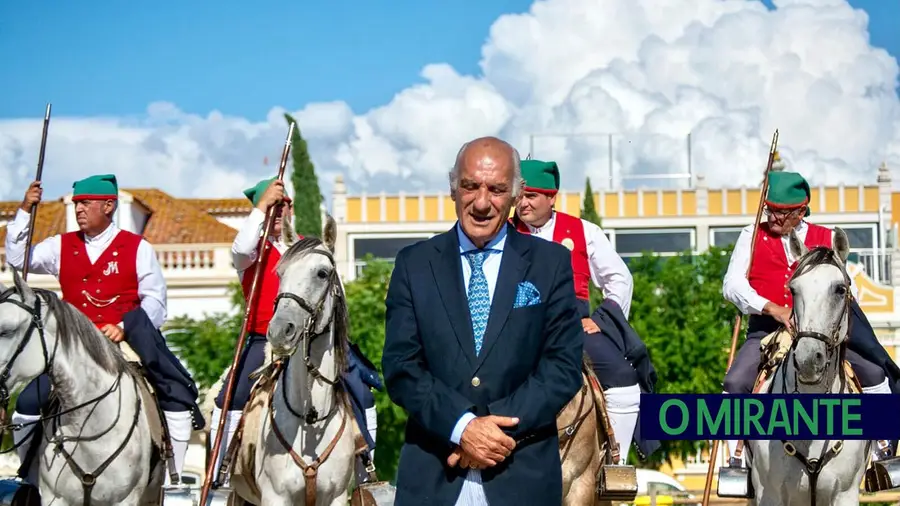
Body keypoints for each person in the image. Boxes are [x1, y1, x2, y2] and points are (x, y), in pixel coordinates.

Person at [382, 137, 584, 506]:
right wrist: (461, 428)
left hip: (521, 477)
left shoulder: (550, 263)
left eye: (496, 189)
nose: (480, 202)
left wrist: (488, 430)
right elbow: (401, 368)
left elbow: (562, 367)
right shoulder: (413, 265)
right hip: (433, 477)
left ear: (516, 195)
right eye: (470, 186)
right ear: (453, 189)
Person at [5, 174, 203, 485]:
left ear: (108, 206)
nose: (78, 210)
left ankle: (172, 479)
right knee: (27, 406)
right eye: (76, 204)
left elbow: (155, 301)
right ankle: (31, 477)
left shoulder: (138, 248)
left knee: (174, 398)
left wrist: (125, 327)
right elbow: (17, 261)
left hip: (125, 342)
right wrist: (25, 212)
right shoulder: (60, 245)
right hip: (72, 348)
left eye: (85, 203)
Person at [209, 177, 382, 486]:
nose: (280, 212)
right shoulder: (251, 251)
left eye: (284, 205)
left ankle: (366, 467)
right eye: (273, 207)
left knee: (361, 392)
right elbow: (241, 245)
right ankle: (223, 472)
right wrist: (263, 205)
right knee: (229, 399)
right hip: (264, 339)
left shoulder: (308, 247)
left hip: (315, 340)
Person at [721, 169, 897, 468]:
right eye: (770, 210)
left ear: (801, 211)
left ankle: (884, 450)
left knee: (874, 372)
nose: (773, 218)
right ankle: (736, 459)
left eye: (782, 213)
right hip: (768, 329)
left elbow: (842, 288)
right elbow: (732, 285)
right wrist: (773, 308)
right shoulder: (751, 235)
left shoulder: (827, 238)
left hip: (823, 331)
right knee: (735, 380)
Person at [510, 158, 648, 464]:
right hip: (513, 328)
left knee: (625, 379)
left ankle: (615, 462)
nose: (523, 204)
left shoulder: (584, 230)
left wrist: (603, 320)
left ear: (551, 197)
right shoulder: (502, 232)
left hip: (572, 326)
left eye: (530, 196)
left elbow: (620, 279)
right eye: (518, 196)